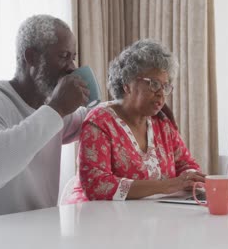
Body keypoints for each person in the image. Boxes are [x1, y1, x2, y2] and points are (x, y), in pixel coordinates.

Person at [0, 14, 91, 222]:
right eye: (63, 56)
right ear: (31, 57)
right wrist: (57, 108)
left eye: (73, 57)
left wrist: (138, 107)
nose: (72, 67)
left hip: (34, 238)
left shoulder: (49, 110)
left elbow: (91, 118)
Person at [67, 39, 205, 203]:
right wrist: (167, 186)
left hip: (153, 217)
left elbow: (186, 164)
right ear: (127, 84)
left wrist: (190, 178)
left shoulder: (162, 123)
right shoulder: (99, 121)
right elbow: (97, 185)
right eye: (153, 84)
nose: (161, 93)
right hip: (101, 220)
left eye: (165, 86)